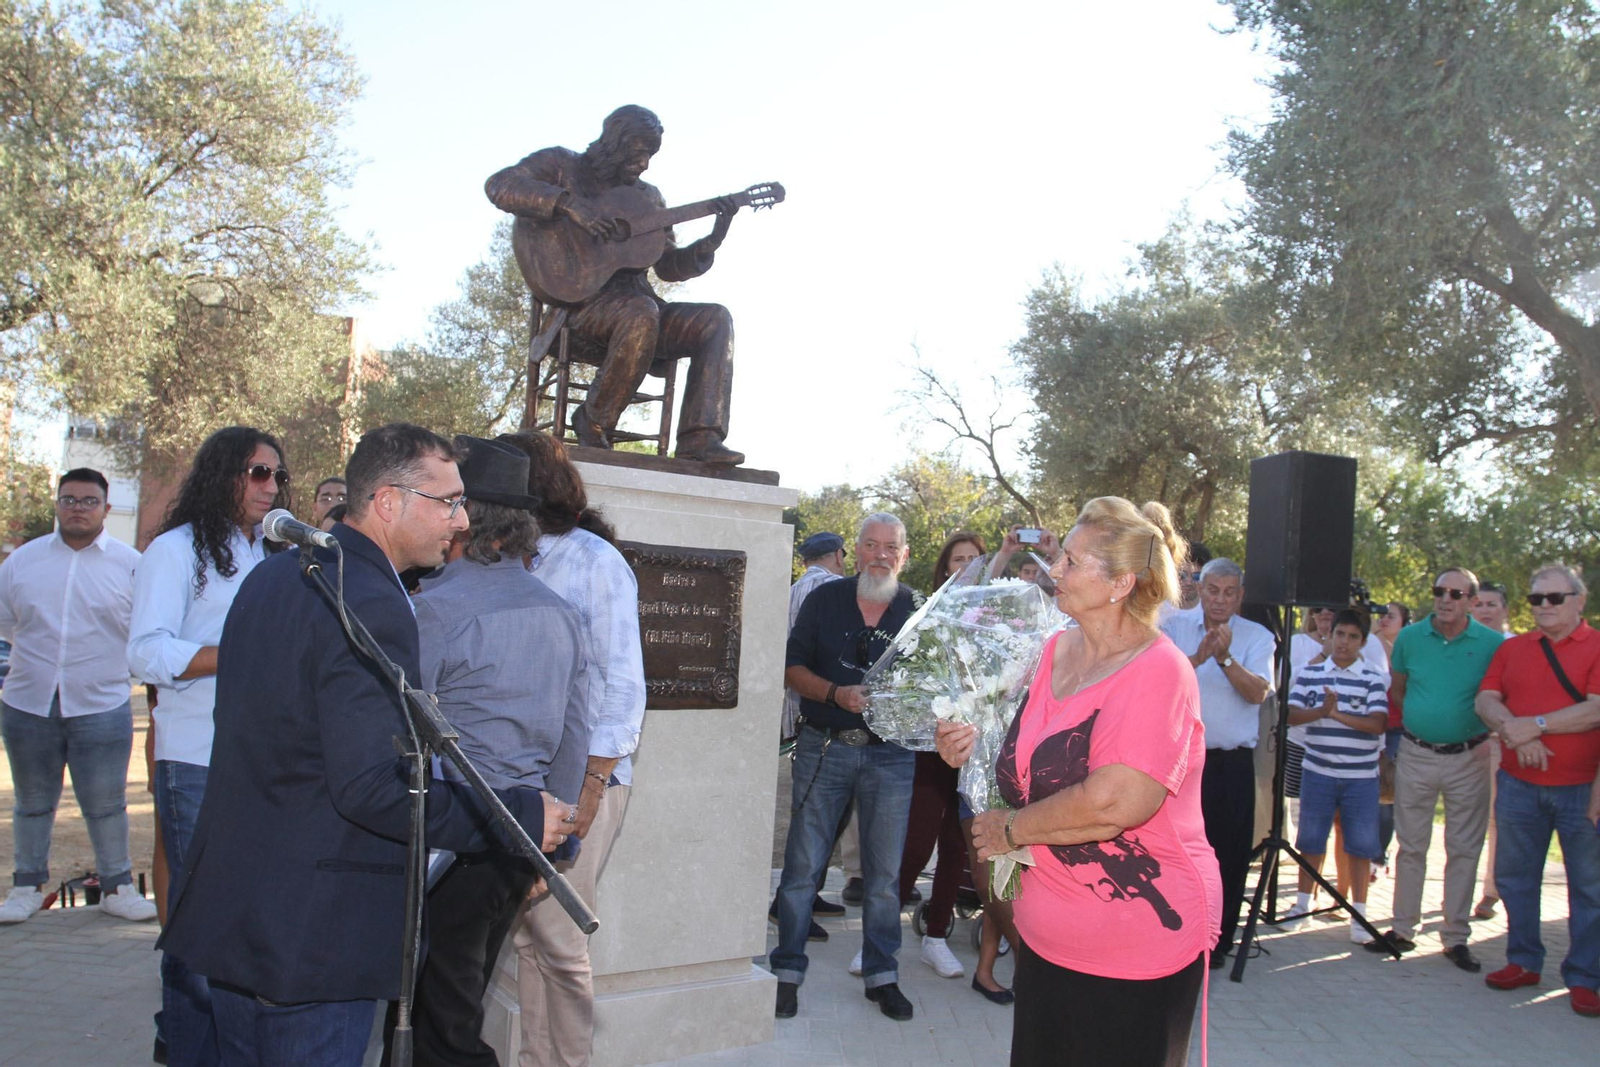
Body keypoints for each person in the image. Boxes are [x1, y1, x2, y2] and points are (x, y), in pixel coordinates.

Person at [157, 424, 572, 1066]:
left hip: (240, 910)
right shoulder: (369, 599)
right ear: (387, 501)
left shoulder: (280, 574)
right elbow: (373, 788)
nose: (460, 522)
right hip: (312, 932)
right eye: (448, 502)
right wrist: (516, 817)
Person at [936, 497, 1219, 1067]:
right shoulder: (1051, 653)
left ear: (1120, 583)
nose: (1054, 570)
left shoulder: (1160, 670)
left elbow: (1116, 801)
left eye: (1071, 560)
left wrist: (1011, 829)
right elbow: (1006, 754)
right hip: (1045, 940)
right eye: (1059, 556)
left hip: (1136, 942)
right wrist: (960, 744)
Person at [395, 435, 590, 1066]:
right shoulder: (559, 612)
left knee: (439, 1021)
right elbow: (574, 736)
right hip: (518, 839)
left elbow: (401, 737)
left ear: (466, 524)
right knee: (457, 1000)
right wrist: (551, 840)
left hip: (454, 844)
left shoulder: (437, 611)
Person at [128, 425, 289, 1067]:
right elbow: (144, 651)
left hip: (259, 761)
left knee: (237, 923)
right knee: (199, 929)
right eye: (257, 473)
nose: (271, 486)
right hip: (195, 757)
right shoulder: (175, 551)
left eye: (277, 475)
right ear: (222, 474)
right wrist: (231, 655)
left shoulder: (271, 555)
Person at [499, 430, 649, 1067]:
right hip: (521, 775)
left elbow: (622, 686)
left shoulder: (593, 561)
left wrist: (589, 791)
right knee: (528, 936)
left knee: (559, 936)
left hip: (584, 780)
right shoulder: (507, 556)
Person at [485, 105, 743, 465]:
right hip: (578, 310)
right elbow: (500, 185)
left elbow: (667, 265)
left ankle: (701, 439)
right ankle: (593, 420)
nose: (645, 165)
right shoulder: (561, 166)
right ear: (615, 144)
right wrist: (569, 205)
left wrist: (710, 242)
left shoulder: (648, 198)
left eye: (650, 156)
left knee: (715, 319)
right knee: (641, 313)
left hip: (642, 311)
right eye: (639, 153)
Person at [772, 513, 919, 1022]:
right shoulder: (823, 600)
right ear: (854, 551)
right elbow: (791, 668)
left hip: (892, 756)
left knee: (883, 877)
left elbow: (936, 685)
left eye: (890, 547)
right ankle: (786, 971)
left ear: (904, 555)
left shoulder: (917, 610)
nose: (880, 554)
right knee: (801, 869)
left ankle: (883, 975)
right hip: (824, 746)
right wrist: (836, 693)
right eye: (871, 544)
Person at [0, 468, 153, 924]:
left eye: (89, 501)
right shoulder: (22, 563)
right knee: (32, 802)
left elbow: (143, 630)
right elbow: (6, 626)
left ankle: (117, 886)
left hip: (101, 703)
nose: (78, 508)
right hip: (28, 702)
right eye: (69, 499)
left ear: (106, 508)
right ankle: (26, 886)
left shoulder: (131, 565)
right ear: (57, 505)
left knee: (106, 804)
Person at [1474, 564, 1600, 1017]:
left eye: (1554, 598)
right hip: (1518, 784)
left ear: (1579, 601)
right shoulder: (1516, 649)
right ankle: (1523, 960)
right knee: (1514, 878)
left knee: (1589, 888)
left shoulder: (1598, 646)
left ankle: (1585, 978)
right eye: (1536, 599)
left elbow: (1595, 711)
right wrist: (1514, 730)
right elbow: (1486, 699)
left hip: (1581, 790)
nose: (1543, 607)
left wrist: (1536, 726)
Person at [1366, 568, 1505, 970]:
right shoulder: (1409, 638)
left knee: (1464, 848)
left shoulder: (1492, 644)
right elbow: (1399, 687)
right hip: (1417, 753)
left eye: (1456, 593)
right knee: (1411, 846)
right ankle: (1402, 929)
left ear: (1471, 601)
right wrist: (1427, 720)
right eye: (1439, 591)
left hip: (1470, 757)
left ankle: (1455, 936)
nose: (1446, 599)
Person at [1159, 558, 1274, 968]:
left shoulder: (1258, 637)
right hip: (1181, 762)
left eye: (1229, 592)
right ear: (1200, 590)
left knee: (1227, 855)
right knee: (1175, 853)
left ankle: (1216, 942)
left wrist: (1225, 659)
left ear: (1240, 596)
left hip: (1230, 764)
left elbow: (1259, 693)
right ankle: (1174, 934)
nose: (1220, 600)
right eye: (1213, 590)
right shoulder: (1173, 628)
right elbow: (1159, 681)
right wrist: (1197, 658)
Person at [898, 532, 985, 983]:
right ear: (945, 566)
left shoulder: (996, 617)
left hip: (975, 751)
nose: (966, 566)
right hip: (933, 749)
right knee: (916, 843)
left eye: (974, 559)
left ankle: (936, 937)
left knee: (957, 846)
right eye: (959, 559)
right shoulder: (927, 613)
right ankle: (882, 938)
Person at [1281, 609, 1389, 943]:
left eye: (1352, 637)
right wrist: (1321, 712)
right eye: (1339, 634)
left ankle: (1359, 912)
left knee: (1360, 844)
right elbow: (1291, 716)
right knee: (1311, 839)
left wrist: (1336, 714)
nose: (1343, 642)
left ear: (1363, 642)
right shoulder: (1312, 673)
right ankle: (1302, 904)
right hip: (1318, 770)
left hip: (1360, 776)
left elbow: (1377, 724)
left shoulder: (1372, 677)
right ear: (1329, 635)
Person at [1470, 580, 1513, 919]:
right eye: (1479, 604)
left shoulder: (1516, 647)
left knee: (1499, 821)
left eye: (1491, 604)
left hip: (1502, 745)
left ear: (1505, 610)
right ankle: (1456, 893)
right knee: (1467, 821)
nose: (1484, 610)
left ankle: (1491, 891)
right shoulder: (1466, 645)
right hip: (1465, 744)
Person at [1374, 602, 1412, 866]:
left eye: (1391, 616)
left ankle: (1379, 854)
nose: (1384, 620)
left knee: (1388, 793)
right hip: (1372, 727)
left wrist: (1383, 646)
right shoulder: (1367, 644)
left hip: (1397, 729)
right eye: (1381, 615)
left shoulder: (1408, 650)